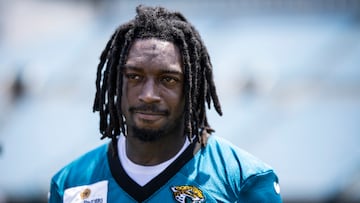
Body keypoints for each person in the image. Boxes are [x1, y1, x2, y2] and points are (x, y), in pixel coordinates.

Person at [49, 5, 282, 203]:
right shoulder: (71, 183)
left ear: (191, 88)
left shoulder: (245, 180)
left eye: (168, 79)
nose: (148, 95)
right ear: (116, 83)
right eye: (134, 76)